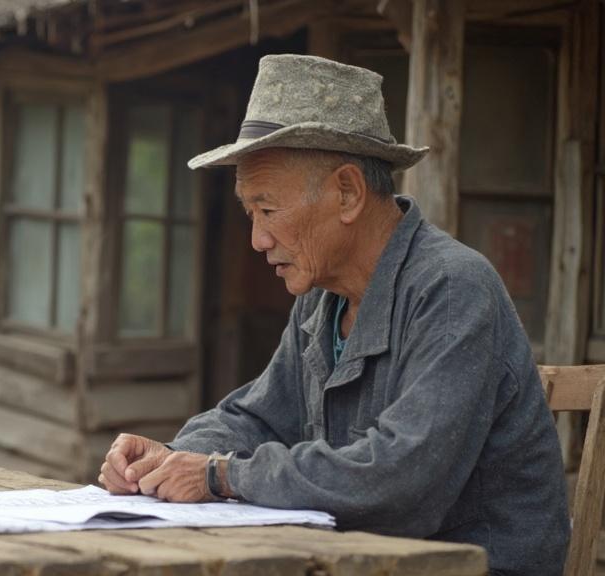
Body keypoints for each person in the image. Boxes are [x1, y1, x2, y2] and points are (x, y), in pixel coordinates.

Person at [98, 54, 570, 576]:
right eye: (250, 213)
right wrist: (170, 457)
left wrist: (221, 476)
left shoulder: (454, 288)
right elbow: (257, 417)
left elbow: (402, 480)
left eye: (269, 210)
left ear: (347, 192)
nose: (258, 240)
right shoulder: (323, 298)